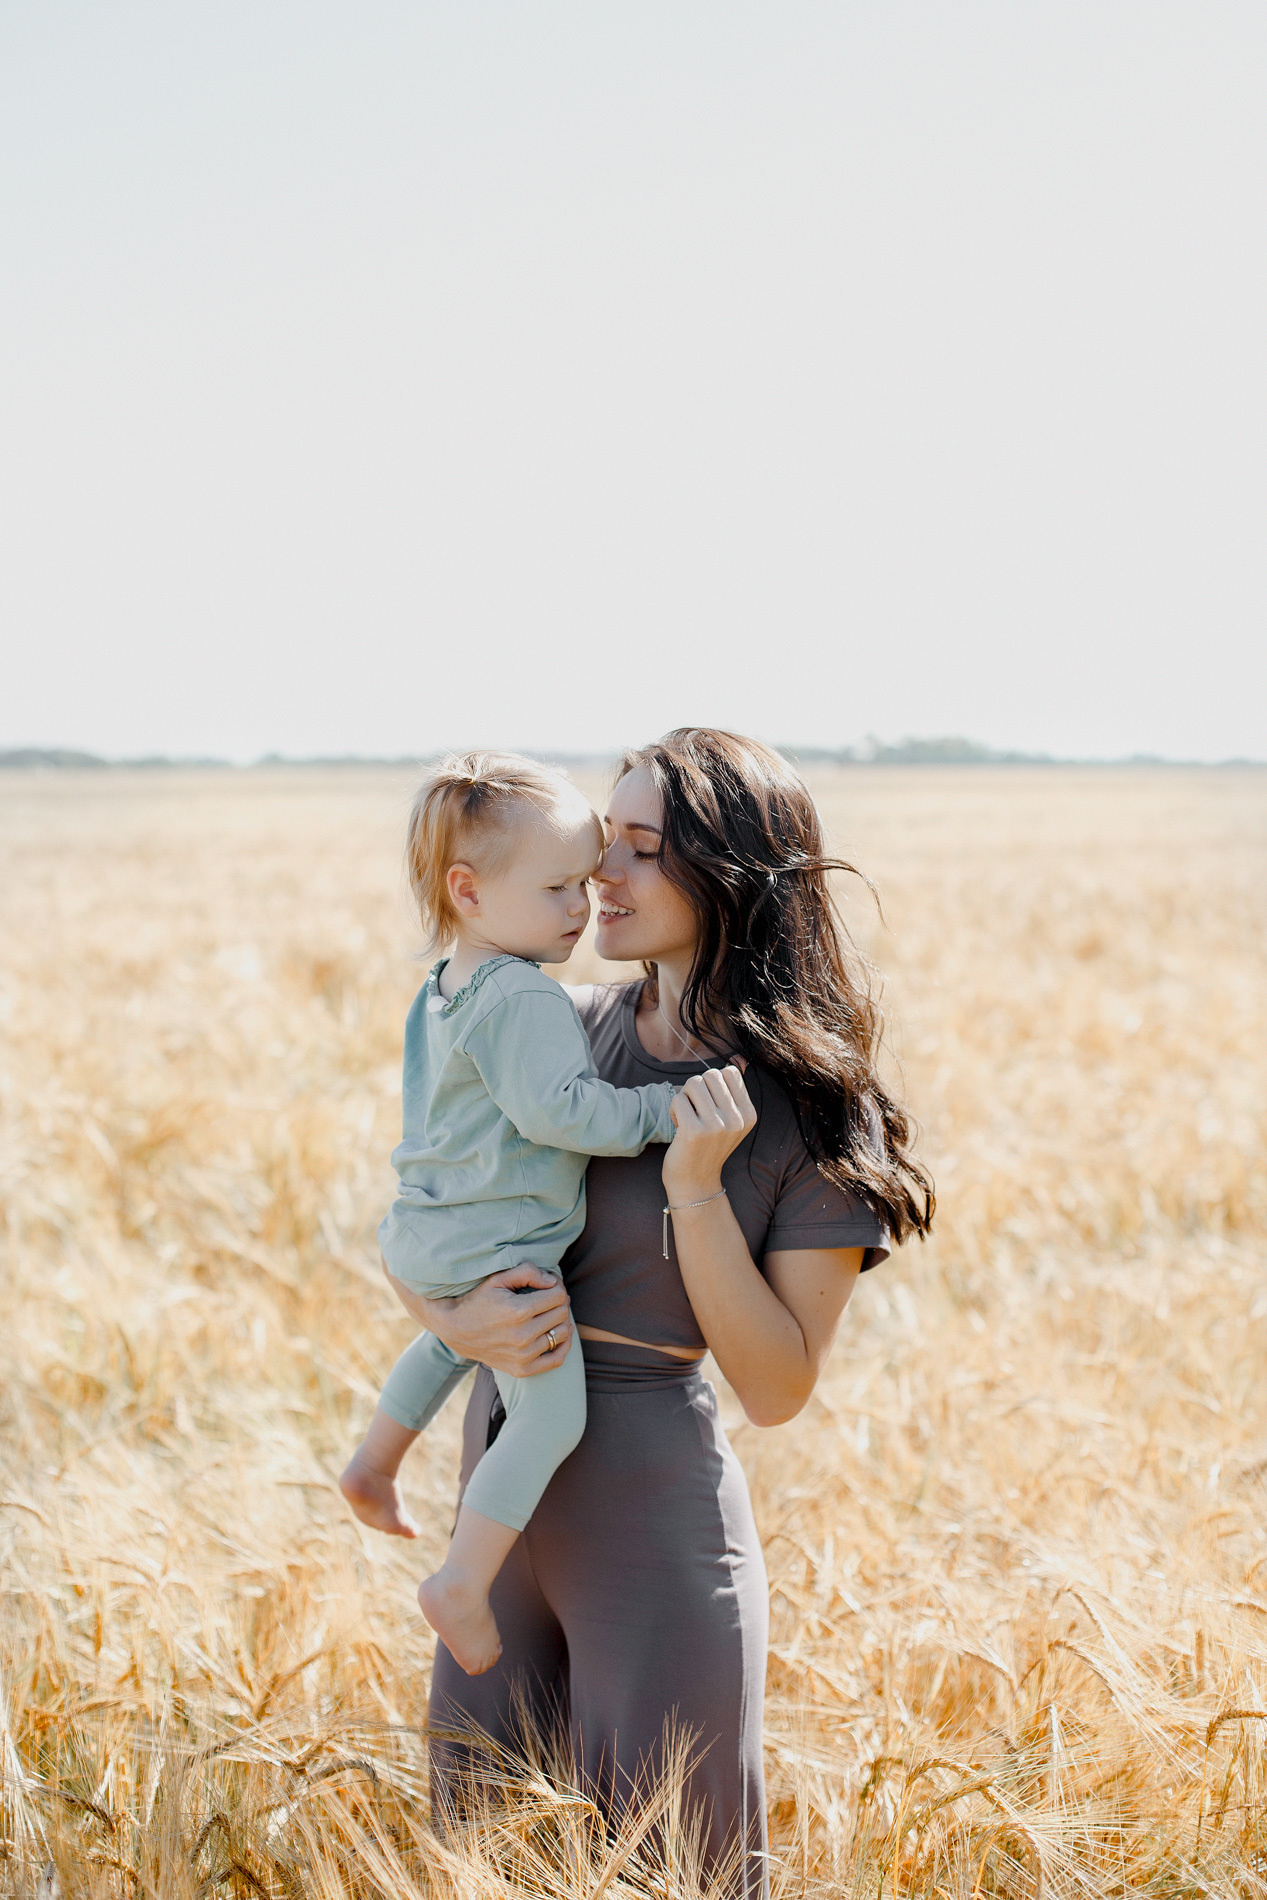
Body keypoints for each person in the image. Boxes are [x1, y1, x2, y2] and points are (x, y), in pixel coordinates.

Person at [384, 729, 935, 1898]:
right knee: (477, 1854)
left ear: (729, 874)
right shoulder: (552, 1026)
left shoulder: (804, 1109)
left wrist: (693, 1190)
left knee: (669, 1870)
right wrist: (459, 1321)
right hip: (498, 1499)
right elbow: (433, 1203)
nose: (601, 879)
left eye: (640, 849)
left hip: (647, 1519)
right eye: (599, 848)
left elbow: (779, 1388)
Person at [339, 751, 733, 1674]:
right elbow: (559, 1110)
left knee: (448, 1340)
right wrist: (657, 1112)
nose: (580, 904)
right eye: (557, 886)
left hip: (432, 1229)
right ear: (467, 891)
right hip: (502, 1248)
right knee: (550, 1417)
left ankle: (374, 1462)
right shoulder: (524, 995)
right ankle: (463, 1582)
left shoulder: (446, 986)